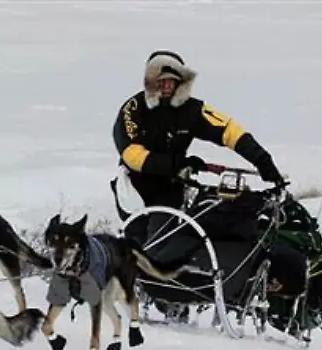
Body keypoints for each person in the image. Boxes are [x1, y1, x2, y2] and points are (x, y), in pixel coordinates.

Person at [110, 50, 285, 253]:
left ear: (181, 83)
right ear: (152, 80)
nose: (167, 86)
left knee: (158, 246)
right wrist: (178, 163)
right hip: (134, 185)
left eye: (172, 81)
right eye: (162, 81)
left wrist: (262, 160)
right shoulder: (132, 109)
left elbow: (229, 131)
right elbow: (131, 154)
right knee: (136, 245)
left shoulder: (192, 110)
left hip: (169, 187)